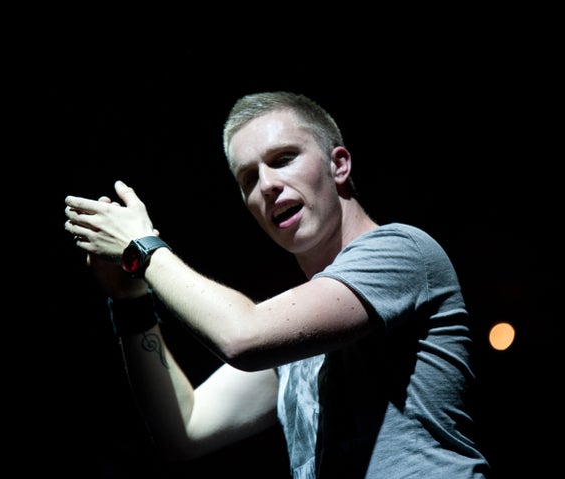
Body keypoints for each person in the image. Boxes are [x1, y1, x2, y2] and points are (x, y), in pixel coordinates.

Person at [64, 91, 490, 478]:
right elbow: (185, 429)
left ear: (338, 164)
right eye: (249, 178)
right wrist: (130, 301)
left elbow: (244, 335)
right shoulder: (292, 331)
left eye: (283, 158)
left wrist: (142, 249)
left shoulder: (401, 251)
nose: (266, 185)